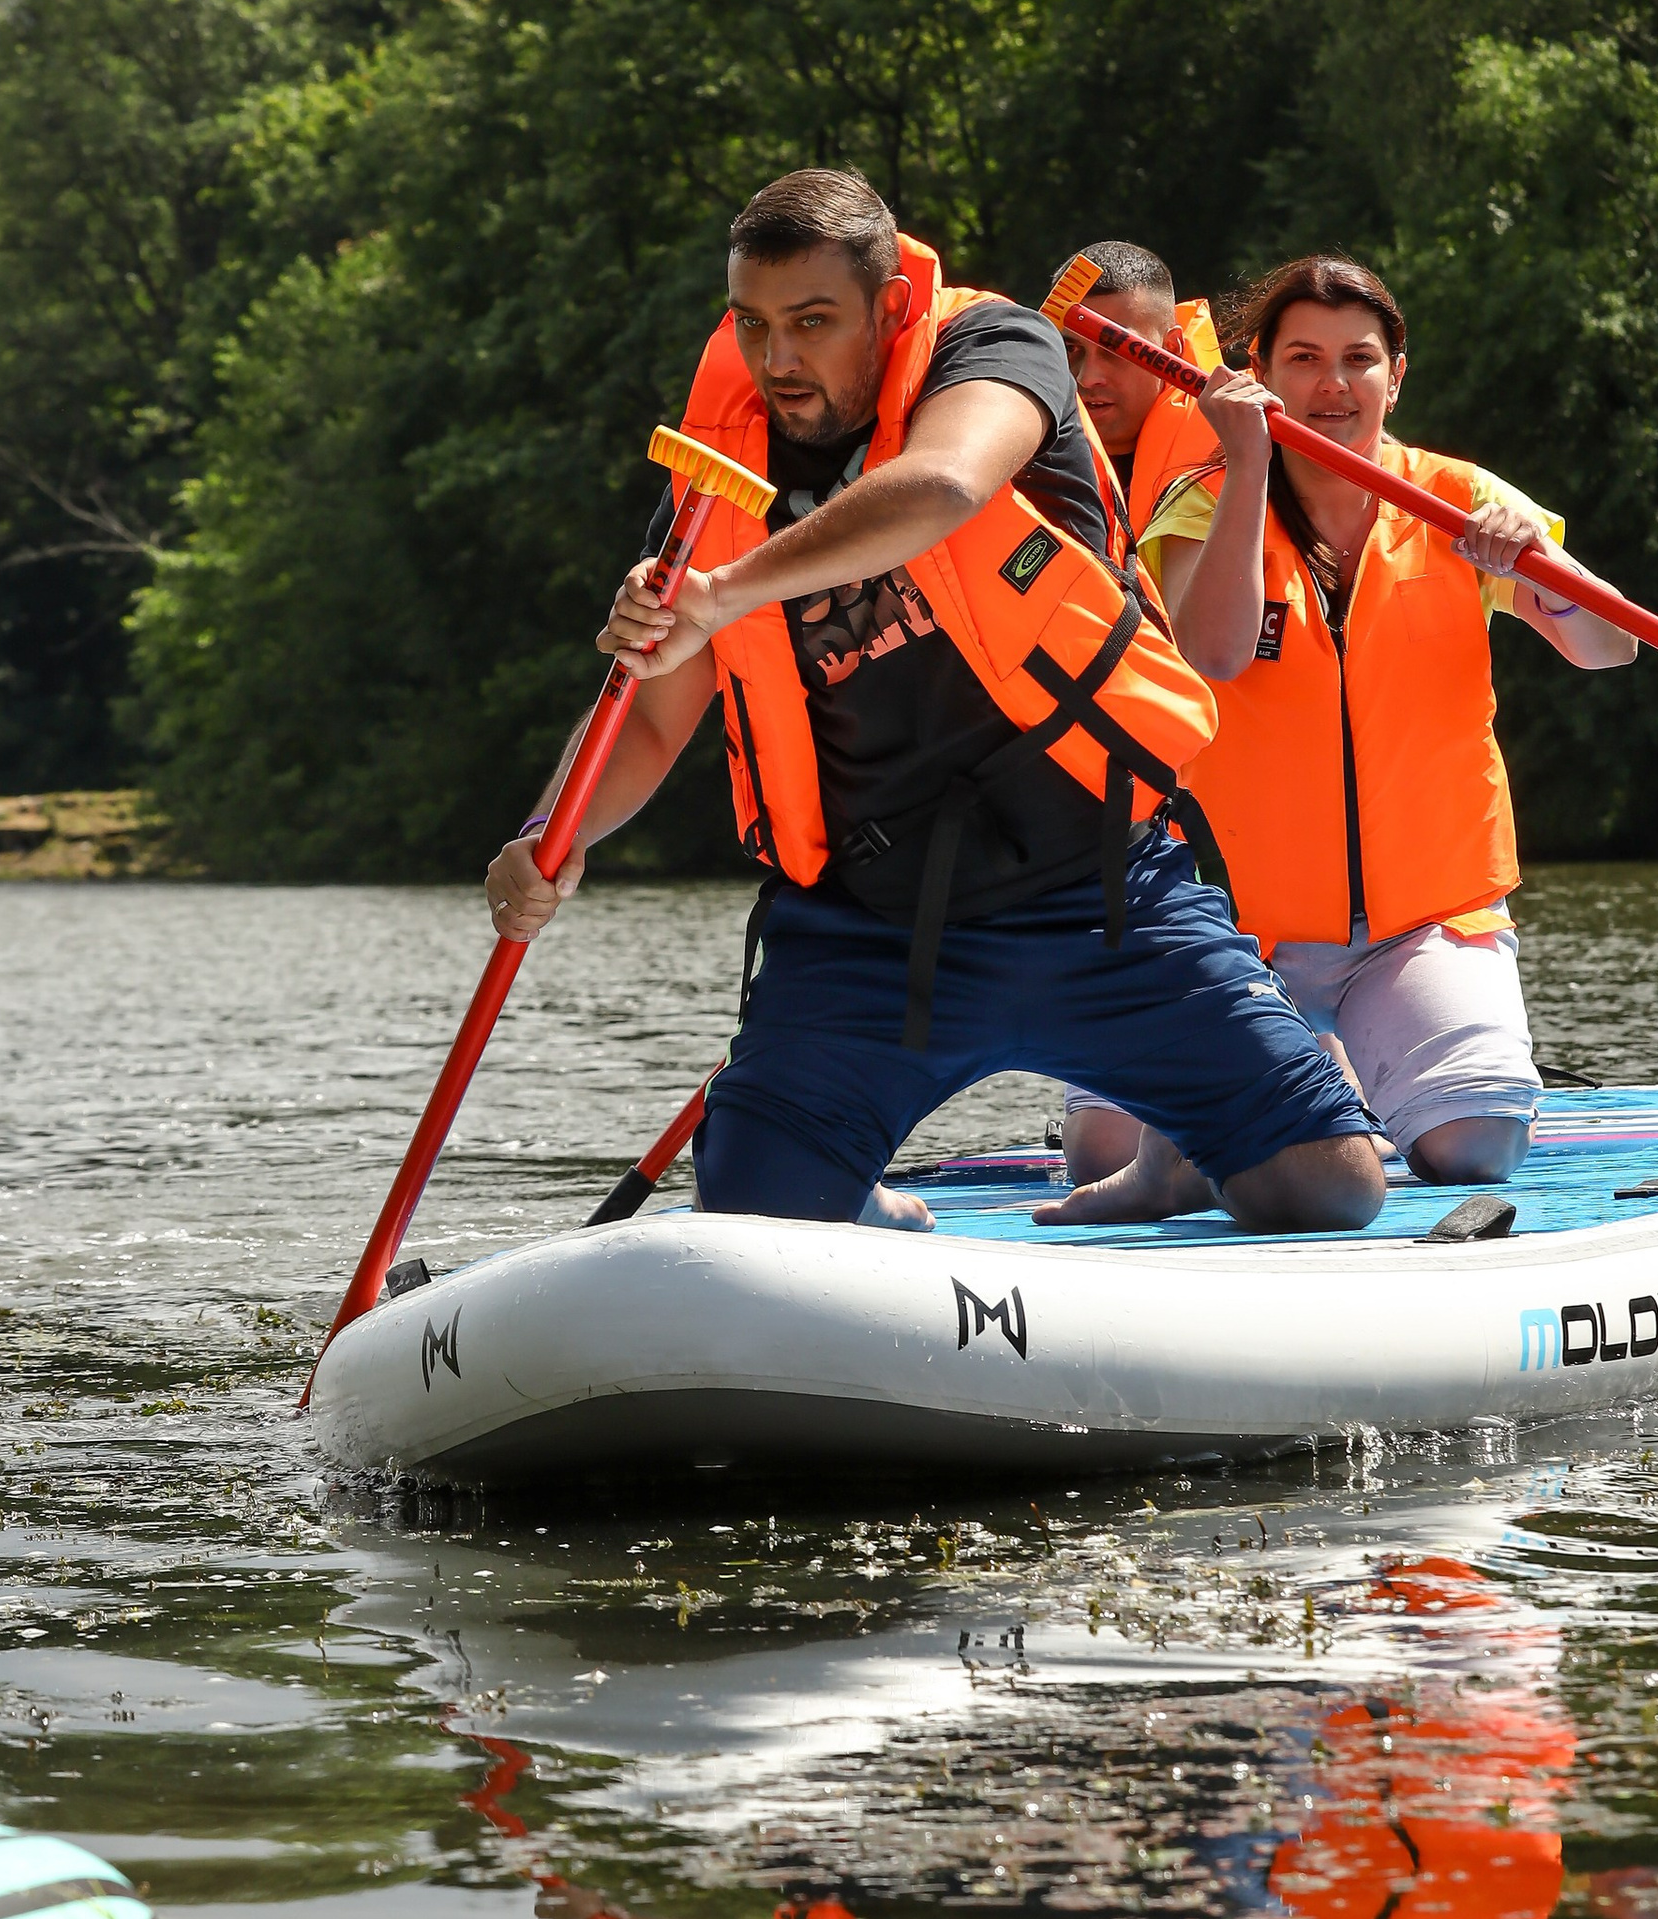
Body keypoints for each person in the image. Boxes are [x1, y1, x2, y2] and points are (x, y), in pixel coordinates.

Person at [483, 168, 1384, 1235]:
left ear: (890, 308)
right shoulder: (721, 453)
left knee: (1326, 1190)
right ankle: (867, 1203)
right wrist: (553, 827)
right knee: (757, 1220)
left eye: (813, 323)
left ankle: (1200, 1128)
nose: (779, 361)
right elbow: (650, 709)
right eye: (755, 325)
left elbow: (946, 484)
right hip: (864, 928)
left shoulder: (996, 349)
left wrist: (720, 597)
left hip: (1099, 892)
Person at [1044, 251, 1635, 1224]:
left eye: (1358, 360)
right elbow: (1212, 653)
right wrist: (1246, 467)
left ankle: (1338, 1078)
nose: (1331, 386)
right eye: (1304, 359)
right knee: (1099, 1146)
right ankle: (1304, 1075)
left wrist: (1538, 575)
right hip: (1234, 930)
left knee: (1473, 1148)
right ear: (1260, 376)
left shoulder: (1458, 494)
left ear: (1395, 376)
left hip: (1416, 919)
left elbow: (1608, 649)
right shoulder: (1203, 494)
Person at [1051, 239, 1224, 559]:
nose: (1087, 378)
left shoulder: (1237, 456)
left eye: (1117, 349)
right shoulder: (1012, 454)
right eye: (1071, 349)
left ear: (1172, 349)